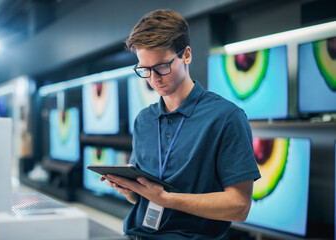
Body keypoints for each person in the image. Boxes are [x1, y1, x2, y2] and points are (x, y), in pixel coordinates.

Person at [101, 9, 261, 240]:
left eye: (162, 66)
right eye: (144, 69)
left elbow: (239, 206)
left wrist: (166, 199)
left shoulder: (226, 117)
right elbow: (142, 197)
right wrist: (130, 190)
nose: (154, 79)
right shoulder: (144, 120)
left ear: (186, 55)